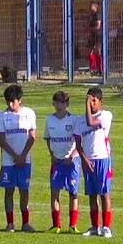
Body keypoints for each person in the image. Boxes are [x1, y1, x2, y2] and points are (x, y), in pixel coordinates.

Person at [0, 84, 38, 233]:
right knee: (9, 191)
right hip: (9, 161)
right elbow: (1, 139)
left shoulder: (29, 113)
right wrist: (15, 156)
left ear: (20, 100)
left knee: (24, 191)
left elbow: (32, 137)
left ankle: (26, 223)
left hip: (25, 160)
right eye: (8, 101)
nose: (10, 104)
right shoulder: (1, 116)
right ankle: (10, 223)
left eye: (13, 101)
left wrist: (23, 156)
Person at [76, 87, 114, 238]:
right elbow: (78, 144)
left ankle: (106, 227)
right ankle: (94, 227)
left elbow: (91, 122)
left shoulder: (105, 115)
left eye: (93, 101)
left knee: (104, 194)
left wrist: (86, 104)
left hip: (102, 159)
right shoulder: (80, 120)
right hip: (88, 161)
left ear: (101, 102)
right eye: (88, 100)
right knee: (92, 195)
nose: (91, 104)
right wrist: (84, 159)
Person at [43, 90, 82, 234]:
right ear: (53, 104)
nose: (59, 106)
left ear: (67, 104)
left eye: (62, 103)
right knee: (54, 192)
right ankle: (56, 225)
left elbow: (80, 141)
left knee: (73, 192)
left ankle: (72, 225)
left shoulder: (74, 120)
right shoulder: (49, 119)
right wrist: (51, 154)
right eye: (57, 103)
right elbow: (48, 139)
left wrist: (73, 155)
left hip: (72, 162)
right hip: (57, 161)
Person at [86, 2, 103, 76]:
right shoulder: (91, 15)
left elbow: (98, 26)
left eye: (92, 6)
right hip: (92, 36)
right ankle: (93, 69)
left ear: (95, 7)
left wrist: (90, 29)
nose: (90, 7)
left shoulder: (97, 14)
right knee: (90, 53)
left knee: (98, 52)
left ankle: (100, 70)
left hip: (98, 35)